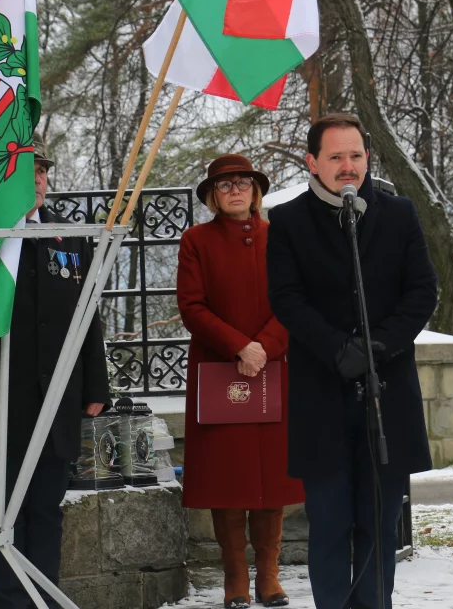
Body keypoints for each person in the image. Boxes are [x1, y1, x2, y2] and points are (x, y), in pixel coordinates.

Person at [266, 113, 438, 609]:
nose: (347, 167)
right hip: (322, 395)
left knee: (379, 526)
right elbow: (286, 298)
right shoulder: (290, 221)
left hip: (386, 395)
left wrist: (377, 347)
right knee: (331, 524)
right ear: (313, 162)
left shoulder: (399, 214)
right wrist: (339, 349)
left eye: (356, 155)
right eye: (336, 157)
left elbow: (422, 291)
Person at [0, 133, 110, 608]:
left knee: (46, 508)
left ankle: (47, 598)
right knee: (3, 513)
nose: (37, 180)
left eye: (41, 170)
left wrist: (95, 384)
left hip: (57, 396)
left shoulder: (67, 233)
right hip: (2, 400)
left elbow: (86, 314)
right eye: (26, 171)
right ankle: (12, 601)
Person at [177, 153, 305, 609]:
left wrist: (265, 347)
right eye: (226, 184)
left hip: (273, 370)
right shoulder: (196, 241)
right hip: (219, 372)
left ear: (256, 191)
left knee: (272, 483)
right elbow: (192, 306)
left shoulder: (280, 238)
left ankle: (269, 577)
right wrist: (239, 347)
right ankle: (236, 581)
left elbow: (295, 301)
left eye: (244, 183)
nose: (236, 190)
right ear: (213, 195)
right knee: (228, 484)